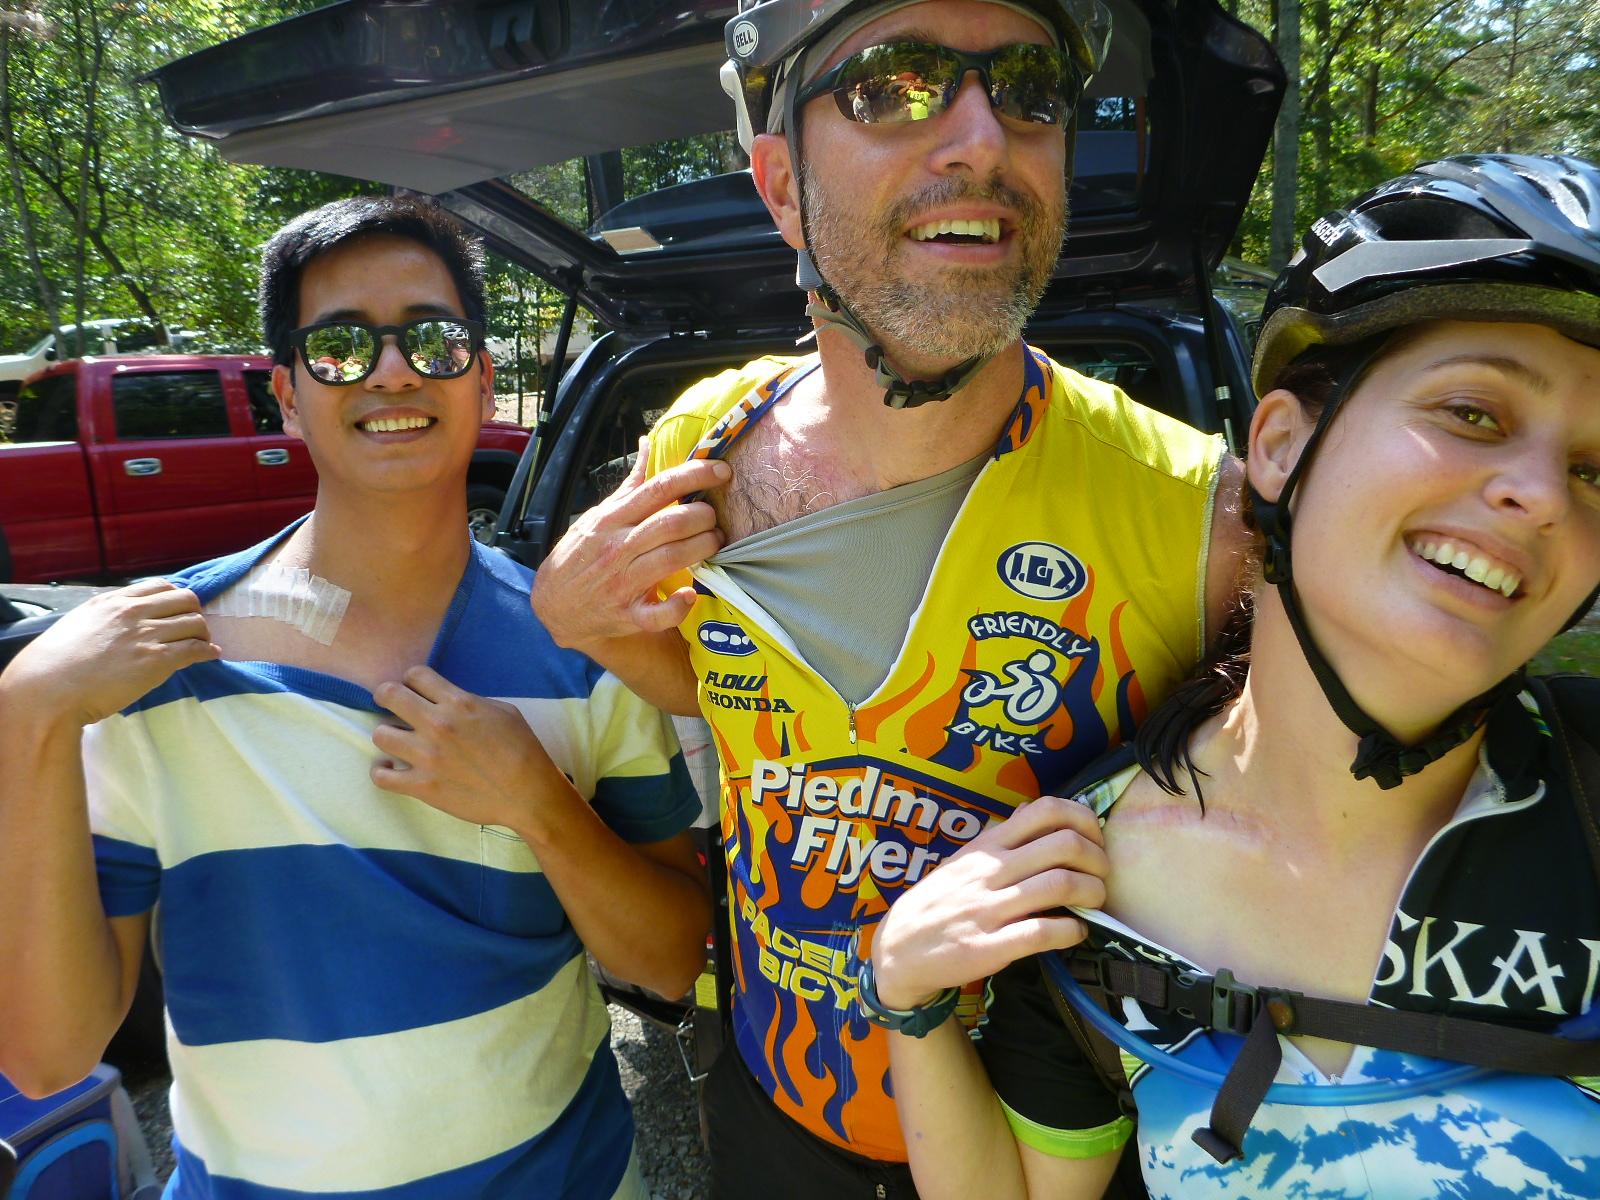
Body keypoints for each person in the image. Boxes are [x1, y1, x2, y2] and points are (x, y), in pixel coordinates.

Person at [530, 1, 1249, 1194]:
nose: (980, 135)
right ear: (778, 187)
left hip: (1049, 1159)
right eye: (894, 83)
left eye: (1028, 90)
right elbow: (735, 708)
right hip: (770, 1112)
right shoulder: (703, 441)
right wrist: (579, 623)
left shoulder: (1195, 517)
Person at [872, 152, 1600, 1198]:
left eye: (1596, 471)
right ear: (1278, 446)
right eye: (1473, 413)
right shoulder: (1091, 873)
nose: (1542, 496)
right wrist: (907, 995)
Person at [0, 196, 711, 1199]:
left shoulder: (582, 643)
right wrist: (25, 718)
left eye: (432, 339)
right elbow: (46, 1058)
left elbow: (676, 963)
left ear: (483, 381)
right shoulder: (151, 665)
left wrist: (539, 808)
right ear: (286, 394)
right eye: (340, 347)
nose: (391, 370)